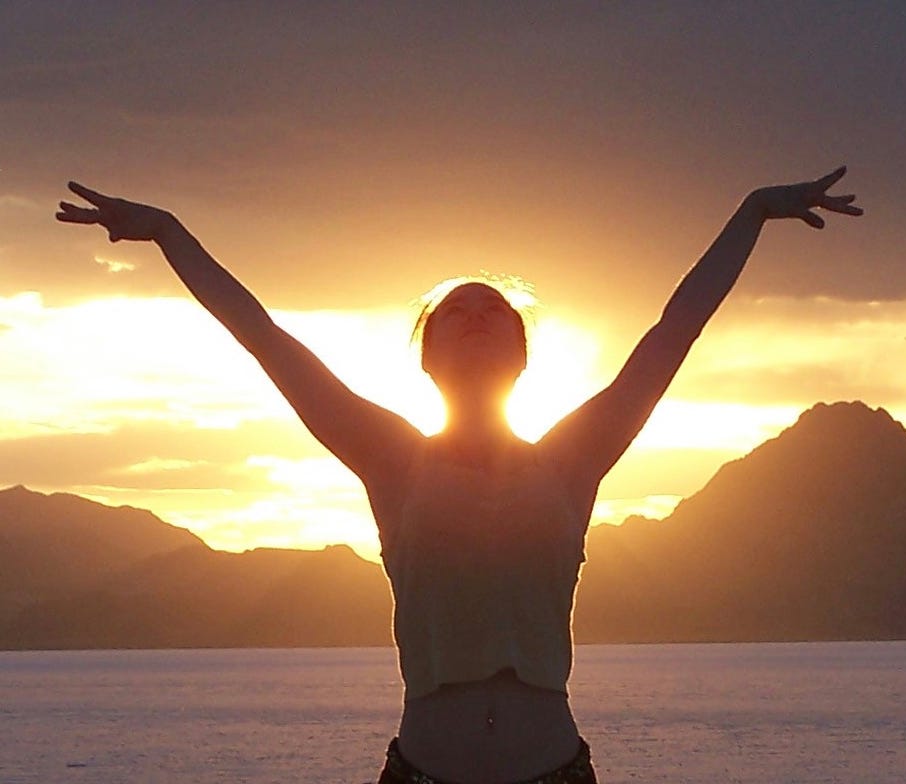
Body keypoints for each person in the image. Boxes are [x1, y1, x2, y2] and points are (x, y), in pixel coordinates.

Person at [56, 168, 862, 783]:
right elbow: (265, 338)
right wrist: (167, 233)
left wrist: (753, 210)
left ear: (520, 352)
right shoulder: (392, 460)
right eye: (455, 312)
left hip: (555, 772)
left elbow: (672, 331)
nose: (476, 317)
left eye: (494, 312)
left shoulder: (572, 459)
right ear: (426, 353)